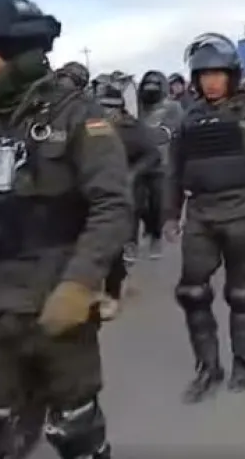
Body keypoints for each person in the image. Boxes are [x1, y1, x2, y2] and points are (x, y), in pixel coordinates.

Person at [0, 0, 131, 459]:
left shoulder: (77, 116)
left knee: (75, 431)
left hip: (55, 300)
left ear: (25, 54)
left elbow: (112, 205)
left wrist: (80, 282)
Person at [163, 32, 245, 403]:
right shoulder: (188, 119)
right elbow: (173, 171)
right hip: (200, 215)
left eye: (217, 74)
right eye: (203, 75)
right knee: (192, 292)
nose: (210, 82)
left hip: (240, 215)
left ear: (231, 75)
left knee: (241, 293)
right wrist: (170, 215)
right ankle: (208, 368)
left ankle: (243, 363)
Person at [94, 83, 161, 320]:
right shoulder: (90, 129)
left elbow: (152, 154)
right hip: (92, 193)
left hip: (123, 195)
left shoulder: (132, 129)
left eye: (109, 108)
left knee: (114, 244)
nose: (104, 113)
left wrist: (133, 173)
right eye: (100, 107)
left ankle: (112, 294)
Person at [135, 71, 182, 261]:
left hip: (161, 163)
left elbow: (171, 130)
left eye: (155, 84)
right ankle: (144, 231)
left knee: (157, 204)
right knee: (138, 204)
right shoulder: (136, 107)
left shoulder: (173, 107)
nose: (151, 88)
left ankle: (155, 236)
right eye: (148, 84)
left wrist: (149, 136)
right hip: (138, 162)